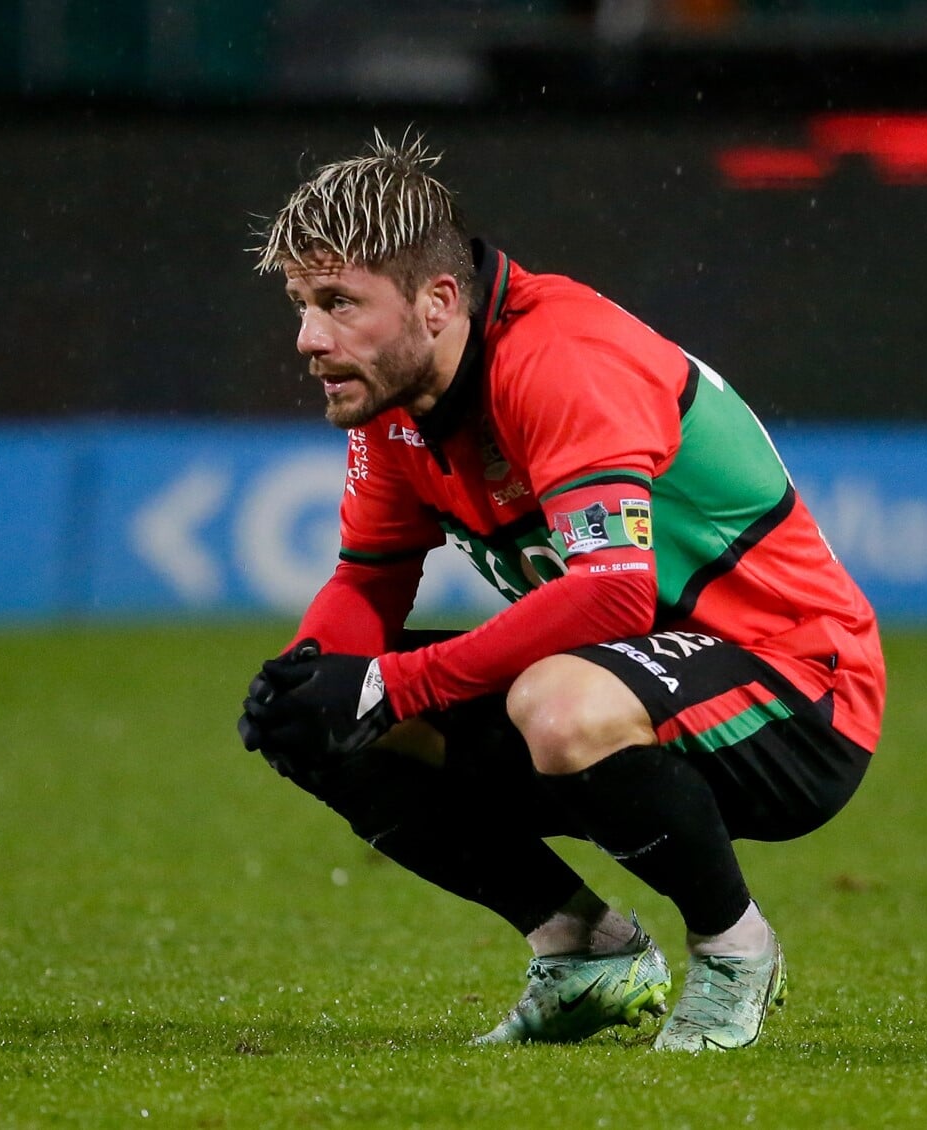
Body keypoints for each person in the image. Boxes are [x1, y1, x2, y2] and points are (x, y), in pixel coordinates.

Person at [237, 132, 885, 1052]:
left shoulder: (558, 358)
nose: (310, 337)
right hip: (629, 682)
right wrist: (314, 676)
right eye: (303, 304)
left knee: (553, 702)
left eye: (340, 303)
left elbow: (616, 597)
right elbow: (370, 577)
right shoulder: (400, 404)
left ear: (438, 301)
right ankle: (584, 950)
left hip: (799, 693)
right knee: (319, 710)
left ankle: (737, 951)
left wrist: (395, 685)